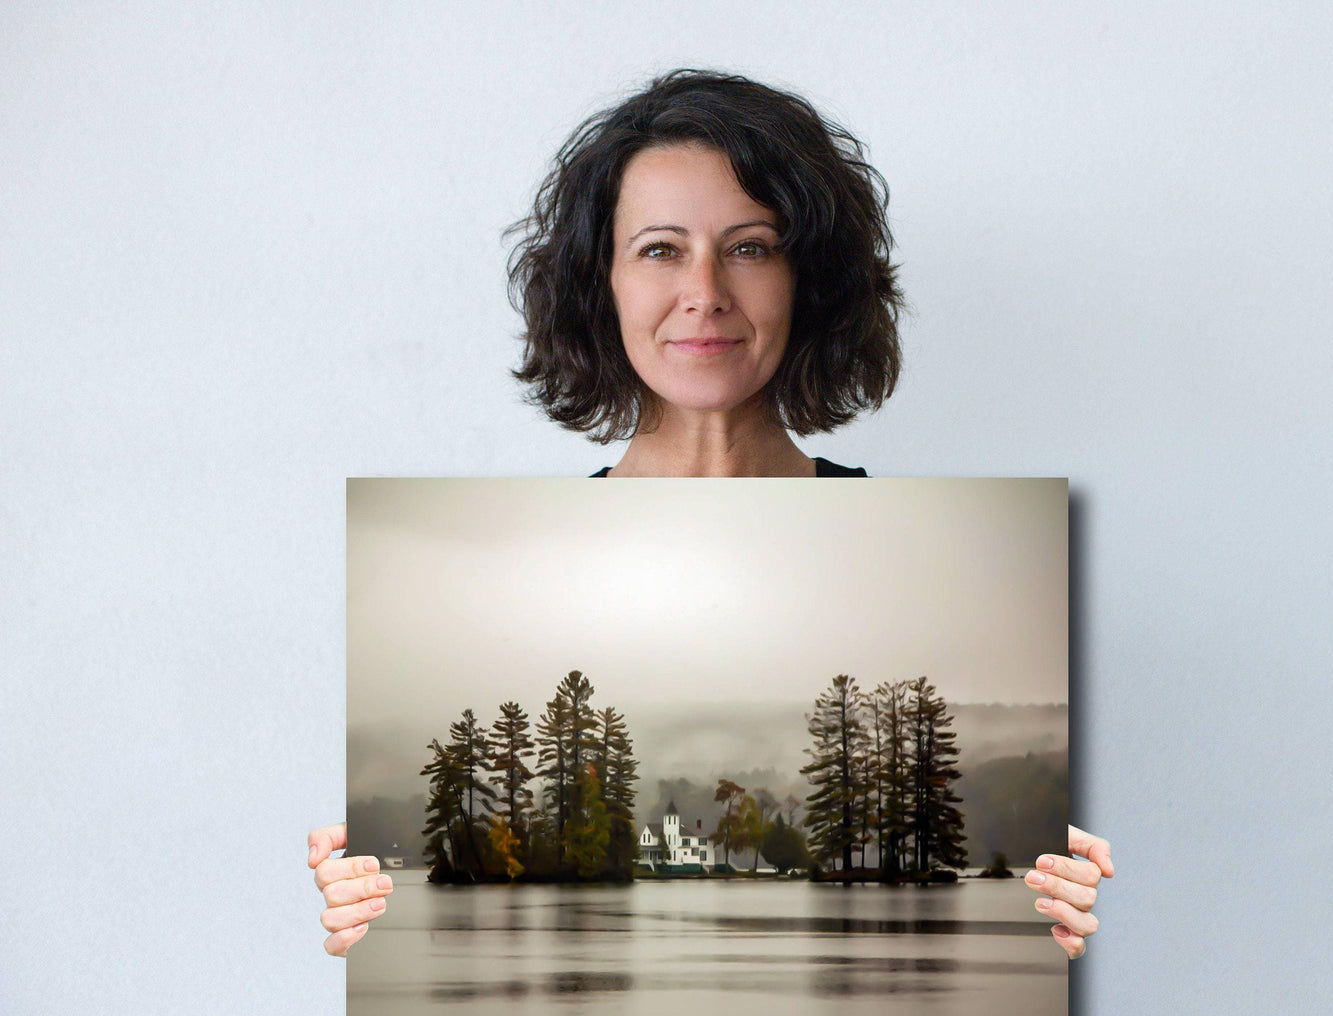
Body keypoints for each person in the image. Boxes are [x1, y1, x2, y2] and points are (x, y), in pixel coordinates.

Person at [310, 69, 1113, 958]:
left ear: (808, 279)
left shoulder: (955, 565)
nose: (705, 291)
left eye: (750, 246)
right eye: (659, 249)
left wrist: (1049, 913)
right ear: (600, 282)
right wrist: (373, 926)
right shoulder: (478, 583)